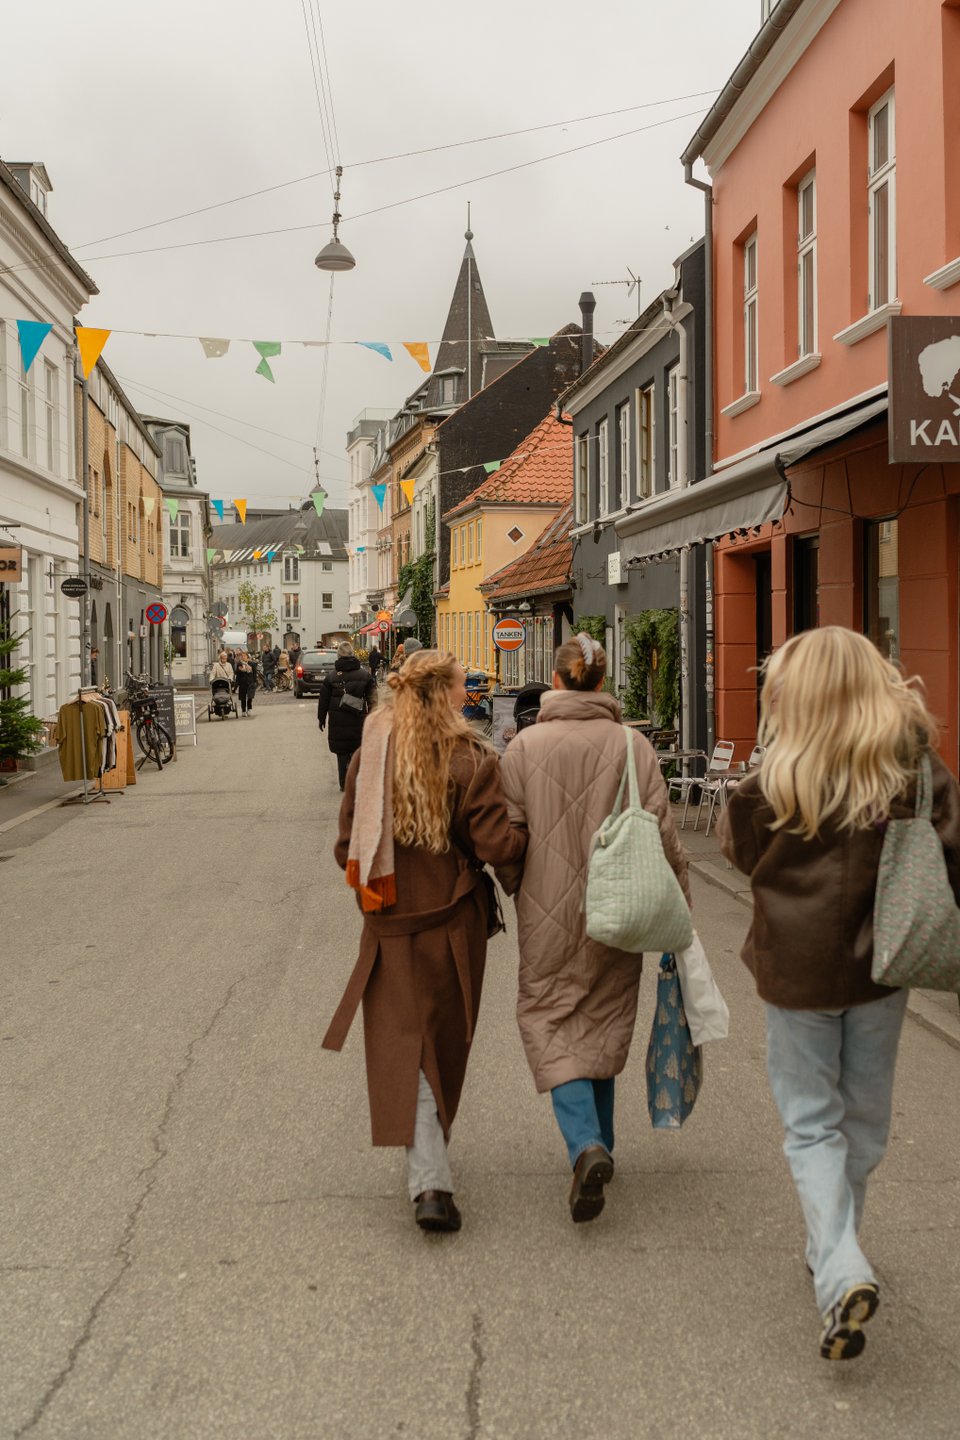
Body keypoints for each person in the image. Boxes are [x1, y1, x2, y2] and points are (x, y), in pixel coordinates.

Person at [718, 627, 960, 1363]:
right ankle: (834, 1250)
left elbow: (742, 854)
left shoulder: (776, 777)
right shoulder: (916, 769)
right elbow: (951, 852)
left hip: (796, 970)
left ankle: (840, 1259)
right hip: (882, 965)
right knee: (863, 1121)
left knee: (810, 1123)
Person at [323, 650, 526, 1234]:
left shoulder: (370, 758)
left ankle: (430, 1174)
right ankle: (431, 1183)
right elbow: (494, 844)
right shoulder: (471, 759)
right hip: (454, 925)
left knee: (406, 1047)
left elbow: (347, 850)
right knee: (442, 1044)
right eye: (462, 687)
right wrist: (527, 841)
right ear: (442, 695)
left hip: (390, 923)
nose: (467, 695)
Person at [500, 633, 689, 1224]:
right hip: (622, 906)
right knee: (604, 1017)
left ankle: (586, 1146)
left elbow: (508, 837)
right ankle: (599, 1142)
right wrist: (680, 903)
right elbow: (662, 832)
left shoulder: (523, 748)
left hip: (547, 909)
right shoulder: (634, 747)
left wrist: (518, 882)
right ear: (601, 684)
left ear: (556, 681)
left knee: (551, 1017)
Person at [317, 642, 377, 790]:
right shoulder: (365, 675)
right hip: (359, 720)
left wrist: (321, 718)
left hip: (338, 721)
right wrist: (373, 717)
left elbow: (323, 700)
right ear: (353, 654)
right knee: (358, 750)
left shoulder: (331, 677)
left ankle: (344, 784)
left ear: (338, 655)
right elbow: (373, 699)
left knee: (341, 753)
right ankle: (358, 780)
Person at [234, 650, 258, 716]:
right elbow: (236, 673)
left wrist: (254, 681)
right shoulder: (239, 664)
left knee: (250, 697)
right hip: (242, 683)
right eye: (242, 656)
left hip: (250, 682)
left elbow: (254, 673)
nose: (243, 657)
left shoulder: (252, 664)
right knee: (243, 698)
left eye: (244, 656)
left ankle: (249, 709)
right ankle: (243, 711)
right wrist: (239, 670)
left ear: (247, 657)